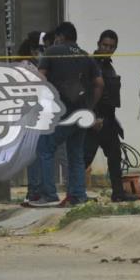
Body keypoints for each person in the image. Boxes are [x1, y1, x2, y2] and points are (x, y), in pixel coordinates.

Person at [31, 22, 103, 207]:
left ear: (60, 36)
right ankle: (77, 195)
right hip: (82, 112)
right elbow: (99, 83)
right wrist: (89, 106)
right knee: (76, 154)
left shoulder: (53, 52)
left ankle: (49, 194)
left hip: (60, 111)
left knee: (45, 149)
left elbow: (41, 77)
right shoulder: (86, 57)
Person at [84, 30, 137, 202]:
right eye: (105, 45)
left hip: (109, 119)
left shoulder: (108, 66)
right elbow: (85, 93)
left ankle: (118, 194)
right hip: (94, 119)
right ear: (98, 44)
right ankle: (75, 194)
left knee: (115, 157)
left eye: (111, 47)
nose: (107, 49)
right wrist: (92, 116)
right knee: (85, 158)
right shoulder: (90, 64)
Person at [17, 36, 43, 205]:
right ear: (33, 51)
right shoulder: (27, 66)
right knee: (35, 155)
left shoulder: (27, 65)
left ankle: (34, 190)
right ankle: (34, 191)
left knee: (35, 155)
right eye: (39, 50)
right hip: (32, 116)